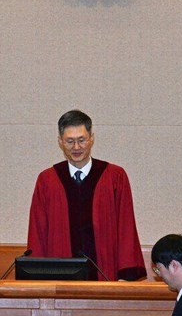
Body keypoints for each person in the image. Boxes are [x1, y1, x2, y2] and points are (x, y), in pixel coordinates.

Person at [27, 109, 146, 281]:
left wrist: (125, 275)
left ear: (91, 139)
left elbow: (126, 226)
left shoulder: (114, 177)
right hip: (60, 281)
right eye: (70, 141)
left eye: (81, 140)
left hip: (105, 276)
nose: (76, 147)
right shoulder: (47, 180)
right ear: (60, 142)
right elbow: (38, 231)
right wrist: (37, 275)